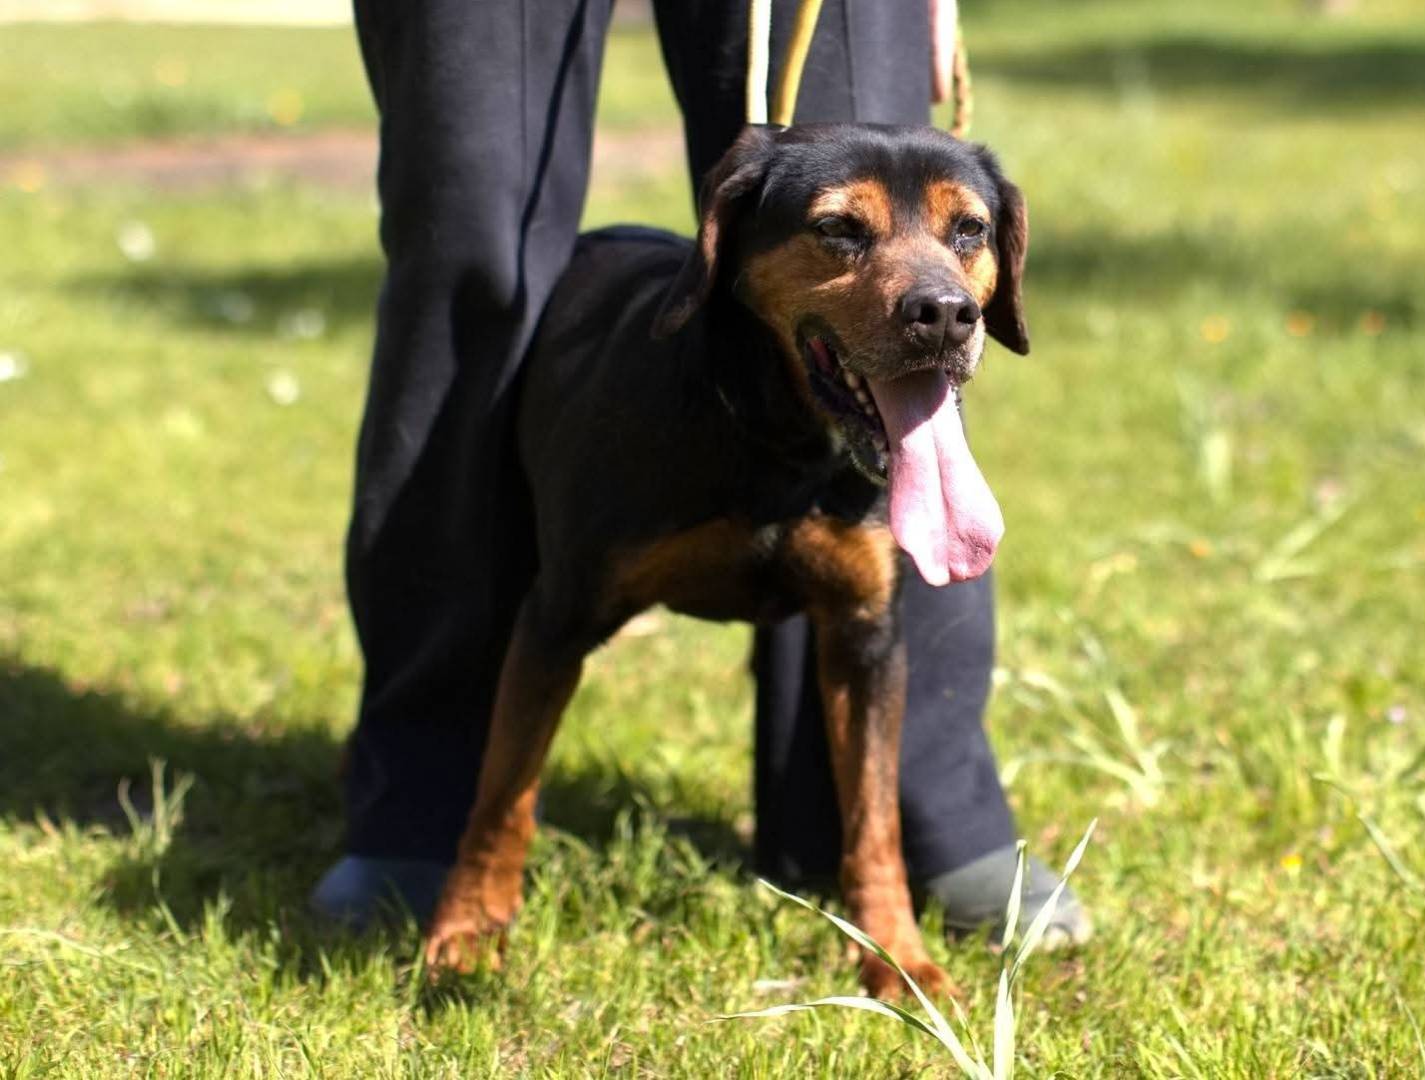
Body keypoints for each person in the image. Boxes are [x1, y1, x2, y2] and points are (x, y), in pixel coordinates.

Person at [312, 0, 1091, 948]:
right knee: (472, 232)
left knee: (862, 120)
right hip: (657, 430)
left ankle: (909, 837)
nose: (934, 291)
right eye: (846, 234)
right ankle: (432, 810)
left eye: (965, 237)